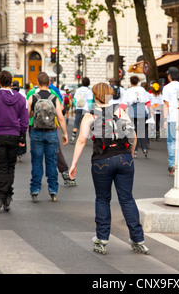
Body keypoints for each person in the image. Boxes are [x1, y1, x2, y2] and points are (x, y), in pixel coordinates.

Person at [68, 82, 148, 255]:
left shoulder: (90, 115)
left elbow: (82, 140)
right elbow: (133, 135)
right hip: (124, 158)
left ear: (95, 96)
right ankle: (138, 238)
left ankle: (102, 238)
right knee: (127, 199)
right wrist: (130, 155)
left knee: (103, 199)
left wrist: (73, 163)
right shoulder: (120, 111)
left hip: (102, 161)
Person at [0, 71, 29, 213]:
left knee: (1, 167)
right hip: (14, 135)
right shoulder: (21, 98)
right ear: (11, 82)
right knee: (11, 167)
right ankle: (7, 196)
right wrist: (22, 134)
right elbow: (25, 119)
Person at [27, 72, 68, 203]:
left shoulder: (33, 97)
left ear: (38, 83)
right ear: (49, 83)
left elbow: (27, 115)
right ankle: (53, 190)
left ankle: (35, 190)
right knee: (51, 161)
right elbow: (60, 116)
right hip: (51, 132)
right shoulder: (54, 97)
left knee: (37, 162)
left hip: (36, 131)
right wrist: (65, 133)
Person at [162, 66, 179, 176]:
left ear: (169, 76)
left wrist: (165, 120)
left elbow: (166, 105)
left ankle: (172, 166)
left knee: (171, 142)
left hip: (172, 118)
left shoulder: (167, 88)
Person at [120, 76, 151, 158]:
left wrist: (120, 113)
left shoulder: (128, 91)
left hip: (132, 111)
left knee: (133, 131)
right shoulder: (142, 90)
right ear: (138, 82)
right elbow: (147, 101)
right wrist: (150, 112)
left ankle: (135, 150)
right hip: (142, 110)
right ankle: (145, 148)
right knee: (142, 130)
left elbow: (124, 104)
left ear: (130, 82)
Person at [70, 77, 93, 144]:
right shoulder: (89, 91)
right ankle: (82, 137)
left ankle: (73, 137)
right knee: (84, 124)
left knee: (76, 122)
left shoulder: (78, 90)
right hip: (85, 109)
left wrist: (75, 106)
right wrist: (90, 110)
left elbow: (74, 100)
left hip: (78, 108)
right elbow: (90, 102)